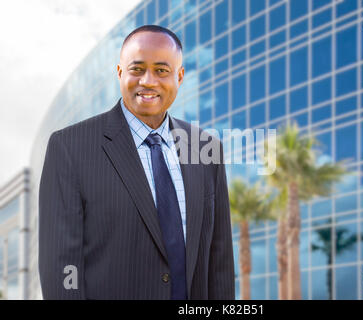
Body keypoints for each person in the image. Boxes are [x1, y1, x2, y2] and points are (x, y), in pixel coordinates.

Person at [39, 25, 235, 300]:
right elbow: (61, 265)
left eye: (162, 71)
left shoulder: (206, 149)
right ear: (120, 73)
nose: (148, 81)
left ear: (179, 76)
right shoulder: (69, 148)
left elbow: (220, 261)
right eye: (137, 69)